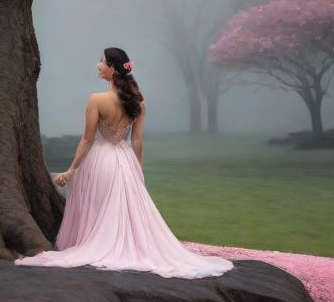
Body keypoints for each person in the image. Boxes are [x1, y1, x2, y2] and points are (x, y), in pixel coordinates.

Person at [15, 47, 233, 278]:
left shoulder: (97, 99)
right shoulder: (138, 102)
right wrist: (137, 169)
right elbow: (137, 141)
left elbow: (88, 139)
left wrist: (72, 169)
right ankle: (119, 243)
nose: (98, 65)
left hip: (100, 160)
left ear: (112, 68)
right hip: (125, 159)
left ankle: (98, 243)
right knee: (121, 207)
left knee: (98, 206)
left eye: (101, 61)